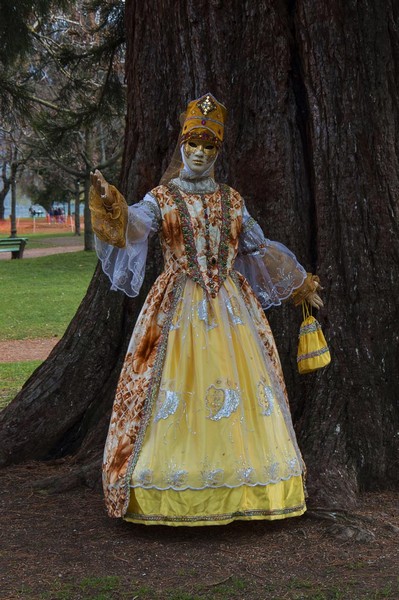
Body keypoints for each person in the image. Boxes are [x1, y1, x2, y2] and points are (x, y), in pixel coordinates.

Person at [90, 93, 323, 526]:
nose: (199, 153)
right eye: (193, 144)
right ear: (181, 147)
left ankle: (244, 485)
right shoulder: (161, 198)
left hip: (234, 311)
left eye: (208, 146)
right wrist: (111, 202)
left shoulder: (233, 201)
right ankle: (173, 487)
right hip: (175, 309)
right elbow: (135, 226)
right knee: (171, 390)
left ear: (217, 151)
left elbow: (257, 246)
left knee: (240, 389)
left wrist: (299, 285)